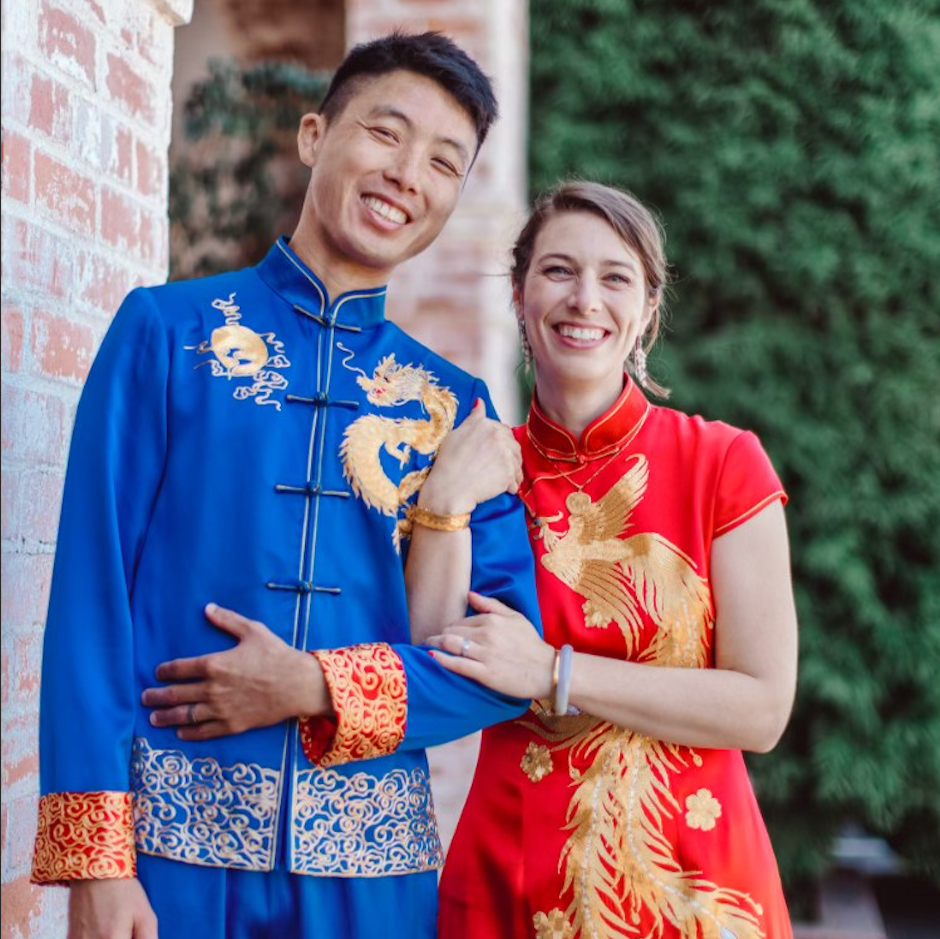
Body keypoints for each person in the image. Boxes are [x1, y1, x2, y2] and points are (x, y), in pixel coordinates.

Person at [30, 31, 541, 939]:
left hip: (372, 881)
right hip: (169, 863)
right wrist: (97, 866)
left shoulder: (455, 413)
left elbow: (500, 669)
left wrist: (311, 684)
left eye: (442, 163)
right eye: (386, 133)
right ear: (314, 135)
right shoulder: (166, 333)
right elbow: (89, 601)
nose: (406, 174)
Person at [414, 180, 798, 938]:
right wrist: (443, 506)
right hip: (510, 874)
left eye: (615, 277)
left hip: (691, 883)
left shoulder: (723, 463)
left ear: (648, 308)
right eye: (558, 271)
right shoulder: (480, 467)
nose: (584, 298)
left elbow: (761, 708)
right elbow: (427, 661)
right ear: (520, 296)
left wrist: (554, 672)